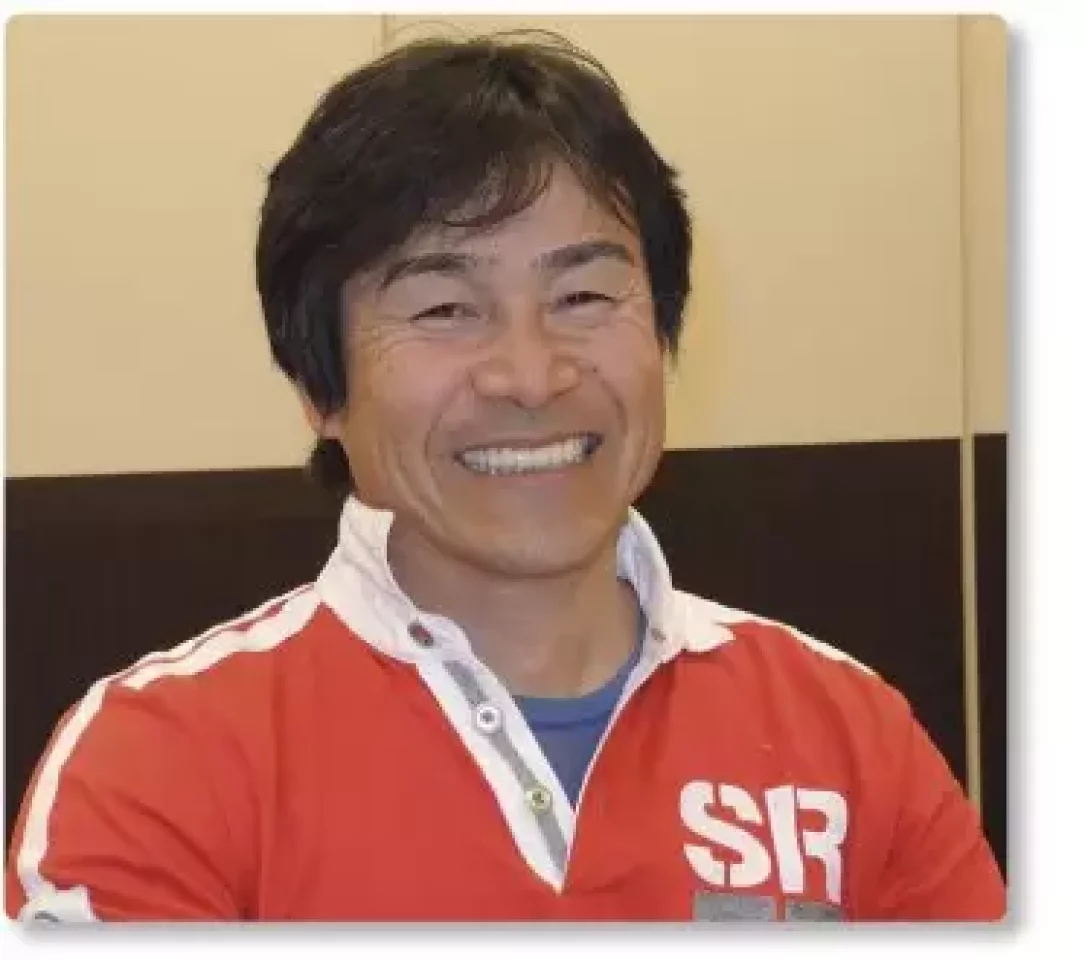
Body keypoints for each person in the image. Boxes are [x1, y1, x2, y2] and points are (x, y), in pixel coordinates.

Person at [5, 31, 1005, 923]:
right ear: (320, 388)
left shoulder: (847, 734)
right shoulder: (158, 764)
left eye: (583, 295)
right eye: (445, 309)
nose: (530, 376)